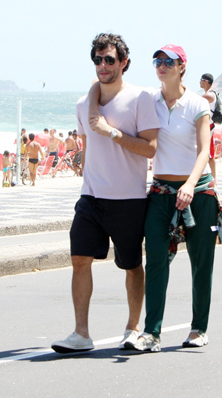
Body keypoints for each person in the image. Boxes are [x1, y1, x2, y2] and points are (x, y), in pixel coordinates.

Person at [51, 33, 159, 353]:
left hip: (129, 199)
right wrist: (82, 164)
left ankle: (133, 328)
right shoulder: (85, 103)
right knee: (79, 259)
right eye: (97, 60)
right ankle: (81, 333)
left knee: (131, 265)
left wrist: (112, 132)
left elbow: (151, 148)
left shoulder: (142, 99)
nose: (102, 65)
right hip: (91, 197)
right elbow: (88, 146)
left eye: (109, 59)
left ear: (123, 62)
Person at [128, 44, 216, 352]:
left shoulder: (197, 104)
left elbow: (204, 150)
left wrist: (191, 184)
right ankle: (151, 333)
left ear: (182, 67)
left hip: (198, 192)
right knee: (155, 261)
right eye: (158, 60)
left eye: (169, 61)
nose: (162, 65)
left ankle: (198, 328)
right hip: (161, 193)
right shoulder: (148, 101)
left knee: (201, 263)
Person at [199, 73, 217, 180]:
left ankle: (213, 179)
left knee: (208, 154)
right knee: (208, 154)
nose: (200, 82)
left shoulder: (209, 95)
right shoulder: (209, 94)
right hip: (208, 126)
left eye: (201, 80)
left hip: (208, 127)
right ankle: (212, 178)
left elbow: (194, 101)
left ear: (206, 81)